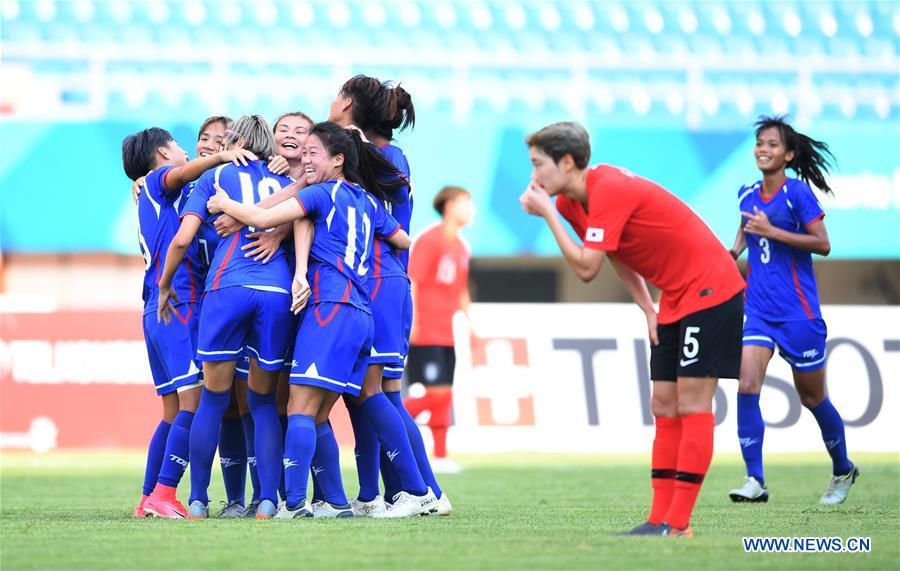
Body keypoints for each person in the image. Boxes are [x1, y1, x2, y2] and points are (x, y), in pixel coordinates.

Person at [519, 122, 744, 537]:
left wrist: (547, 215)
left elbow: (586, 267)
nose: (533, 175)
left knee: (693, 403)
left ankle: (678, 524)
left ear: (567, 162)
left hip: (711, 287)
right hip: (675, 297)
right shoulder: (573, 200)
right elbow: (612, 252)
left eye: (538, 164)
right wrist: (647, 307)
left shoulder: (605, 189)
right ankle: (657, 520)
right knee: (663, 403)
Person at [206, 121, 435, 519]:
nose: (307, 159)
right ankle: (336, 501)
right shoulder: (365, 200)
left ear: (338, 159)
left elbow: (262, 220)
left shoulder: (319, 194)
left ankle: (295, 504)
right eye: (305, 151)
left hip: (330, 306)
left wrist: (225, 205)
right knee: (324, 411)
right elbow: (403, 239)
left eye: (314, 153)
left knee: (299, 406)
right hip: (362, 311)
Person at [157, 115, 295, 520]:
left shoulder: (215, 178)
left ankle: (198, 500)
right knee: (263, 402)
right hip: (277, 291)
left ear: (233, 143)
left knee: (214, 399)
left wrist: (165, 286)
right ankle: (268, 500)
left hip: (226, 287)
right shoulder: (284, 181)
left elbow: (183, 238)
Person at [328, 75, 451, 515]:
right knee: (373, 393)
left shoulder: (385, 155)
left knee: (375, 390)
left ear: (345, 103)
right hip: (374, 281)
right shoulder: (366, 152)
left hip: (381, 280)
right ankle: (402, 493)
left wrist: (350, 142)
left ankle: (419, 491)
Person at [122, 126, 254, 518]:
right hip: (177, 303)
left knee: (172, 410)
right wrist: (222, 158)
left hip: (156, 310)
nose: (190, 151)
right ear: (163, 153)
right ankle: (165, 493)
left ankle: (148, 497)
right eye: (182, 146)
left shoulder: (152, 194)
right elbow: (181, 174)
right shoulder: (161, 180)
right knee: (194, 404)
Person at [728, 115, 857, 506]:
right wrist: (730, 255)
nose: (762, 149)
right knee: (747, 384)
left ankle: (842, 468)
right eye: (759, 143)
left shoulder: (797, 194)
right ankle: (755, 479)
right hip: (759, 309)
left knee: (813, 399)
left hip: (799, 314)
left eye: (771, 144)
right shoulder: (747, 193)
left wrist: (774, 232)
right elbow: (744, 233)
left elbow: (823, 244)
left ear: (788, 154)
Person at [404, 186, 473, 476]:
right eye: (465, 203)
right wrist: (413, 322)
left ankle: (441, 454)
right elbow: (414, 282)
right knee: (437, 394)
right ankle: (386, 425)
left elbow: (461, 291)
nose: (471, 209)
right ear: (449, 205)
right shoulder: (430, 240)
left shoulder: (461, 247)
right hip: (426, 329)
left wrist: (472, 326)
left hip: (446, 333)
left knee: (444, 393)